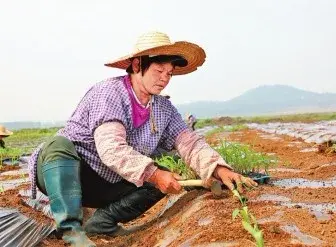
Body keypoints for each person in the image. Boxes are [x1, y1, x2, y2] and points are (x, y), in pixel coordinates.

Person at [28, 31, 257, 247]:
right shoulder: (109, 93)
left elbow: (189, 142)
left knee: (164, 177)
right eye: (159, 70)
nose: (165, 78)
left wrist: (218, 168)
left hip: (107, 183)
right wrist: (154, 174)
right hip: (67, 174)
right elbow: (111, 149)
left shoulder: (163, 108)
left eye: (169, 73)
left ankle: (103, 223)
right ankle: (70, 230)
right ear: (138, 65)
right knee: (58, 145)